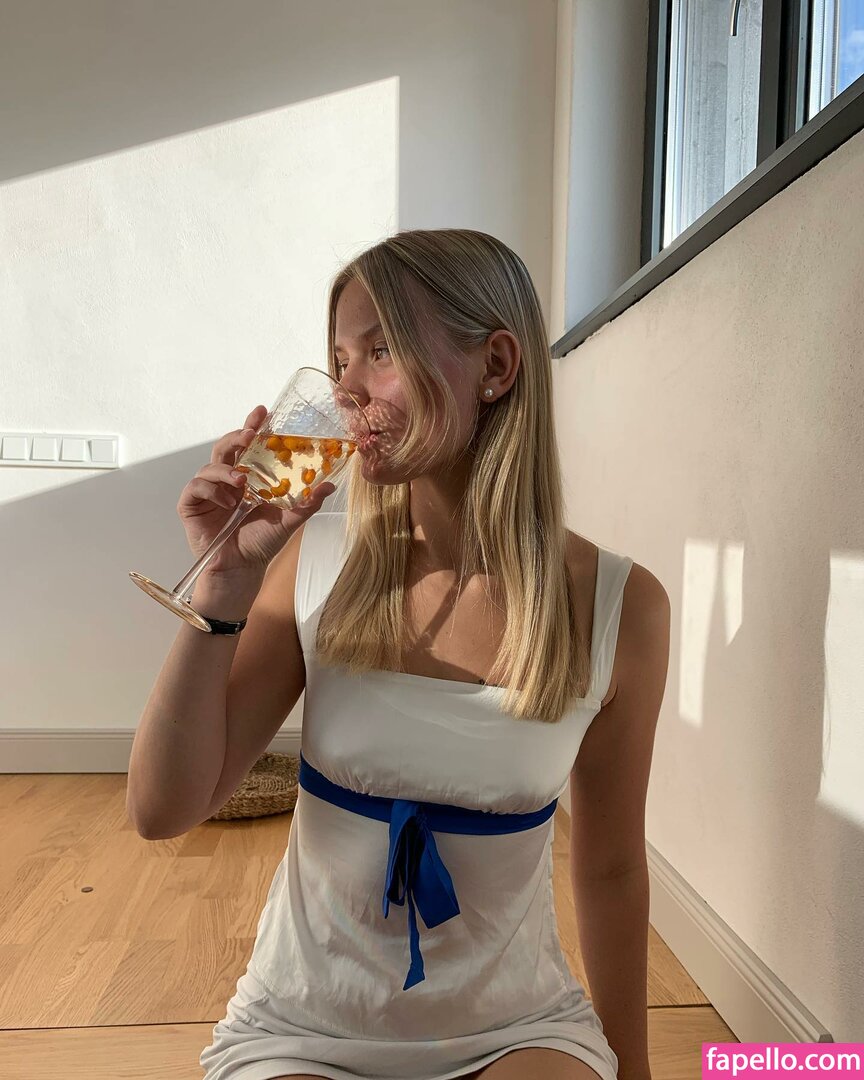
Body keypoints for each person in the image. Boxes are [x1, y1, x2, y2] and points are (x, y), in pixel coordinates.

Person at [128, 228, 670, 1080]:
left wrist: (633, 1071)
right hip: (301, 1027)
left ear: (496, 366)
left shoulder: (618, 606)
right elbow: (162, 810)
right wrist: (221, 591)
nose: (345, 392)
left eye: (379, 352)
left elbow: (609, 867)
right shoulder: (313, 565)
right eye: (338, 359)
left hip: (517, 1026)